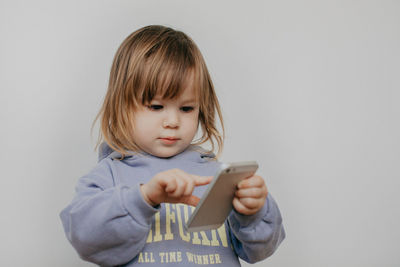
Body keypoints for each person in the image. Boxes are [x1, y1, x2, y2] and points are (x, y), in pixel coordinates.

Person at [60, 25, 285, 266]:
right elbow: (85, 237)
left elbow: (259, 250)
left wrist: (254, 210)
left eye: (187, 108)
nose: (173, 122)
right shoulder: (110, 174)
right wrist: (144, 197)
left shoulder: (216, 176)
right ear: (121, 105)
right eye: (156, 107)